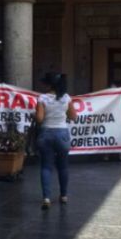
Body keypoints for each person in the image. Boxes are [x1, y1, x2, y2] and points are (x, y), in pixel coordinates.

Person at [35, 72, 77, 210]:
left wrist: (35, 114)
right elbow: (73, 116)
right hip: (62, 134)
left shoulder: (42, 98)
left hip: (46, 133)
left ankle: (46, 198)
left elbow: (39, 119)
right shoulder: (66, 98)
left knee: (46, 166)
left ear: (49, 85)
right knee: (63, 166)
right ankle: (63, 195)